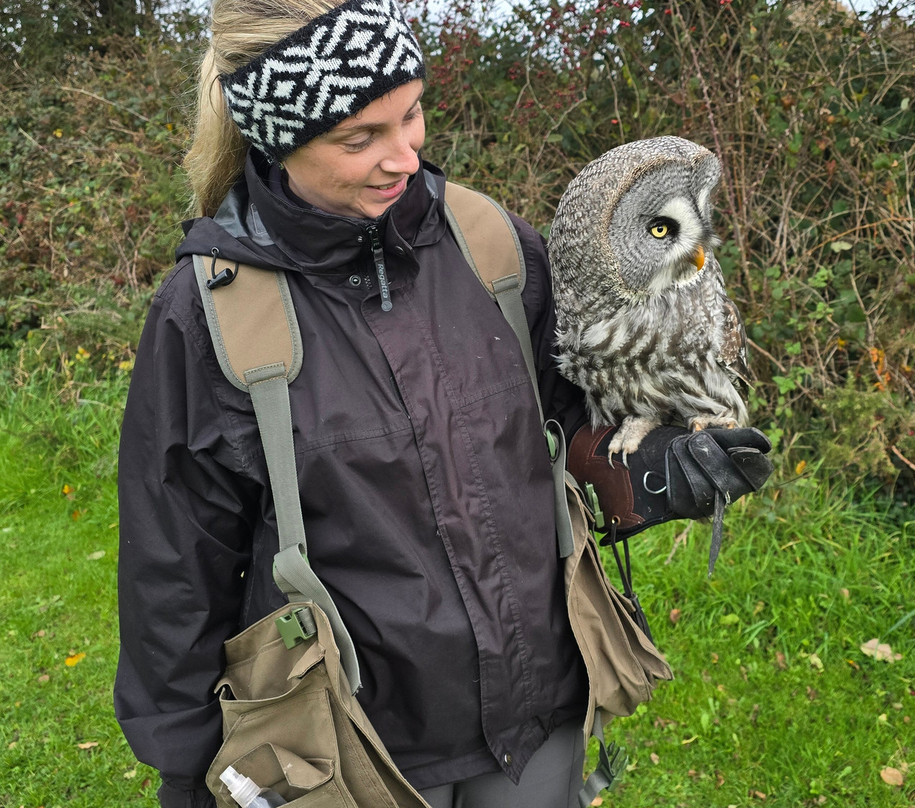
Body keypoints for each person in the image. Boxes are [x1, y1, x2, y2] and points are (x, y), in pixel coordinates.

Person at [113, 2, 773, 807]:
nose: (404, 154)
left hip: (539, 711)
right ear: (278, 138)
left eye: (413, 111)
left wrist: (653, 470)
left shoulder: (490, 244)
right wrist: (186, 766)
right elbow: (174, 569)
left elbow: (565, 420)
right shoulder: (211, 314)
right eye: (360, 138)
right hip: (350, 742)